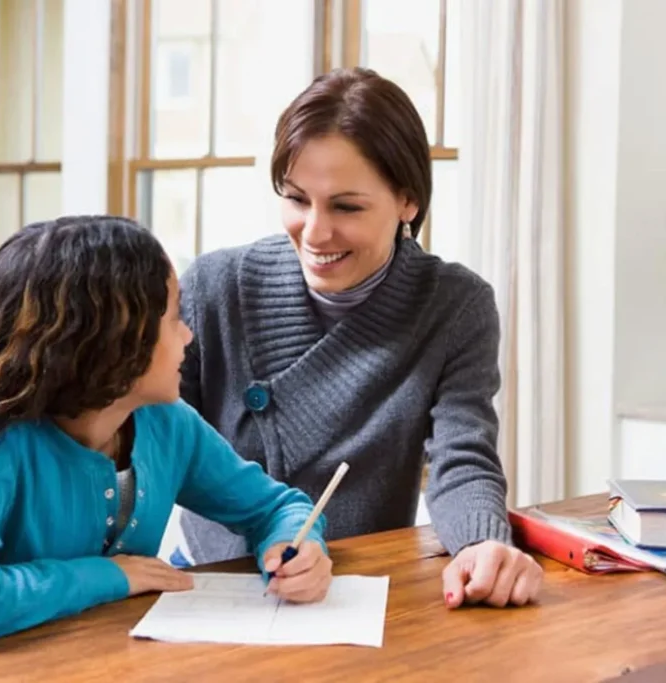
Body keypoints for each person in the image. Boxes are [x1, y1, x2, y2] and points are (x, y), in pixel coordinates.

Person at [0, 216, 333, 652]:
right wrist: (113, 576)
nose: (188, 337)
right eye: (173, 319)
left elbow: (276, 507)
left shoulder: (168, 424)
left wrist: (295, 546)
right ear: (111, 340)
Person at [175, 67, 544, 609]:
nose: (315, 232)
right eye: (297, 199)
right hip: (213, 586)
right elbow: (148, 446)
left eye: (346, 206)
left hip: (357, 596)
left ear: (407, 201)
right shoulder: (212, 288)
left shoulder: (454, 306)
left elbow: (462, 457)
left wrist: (481, 543)